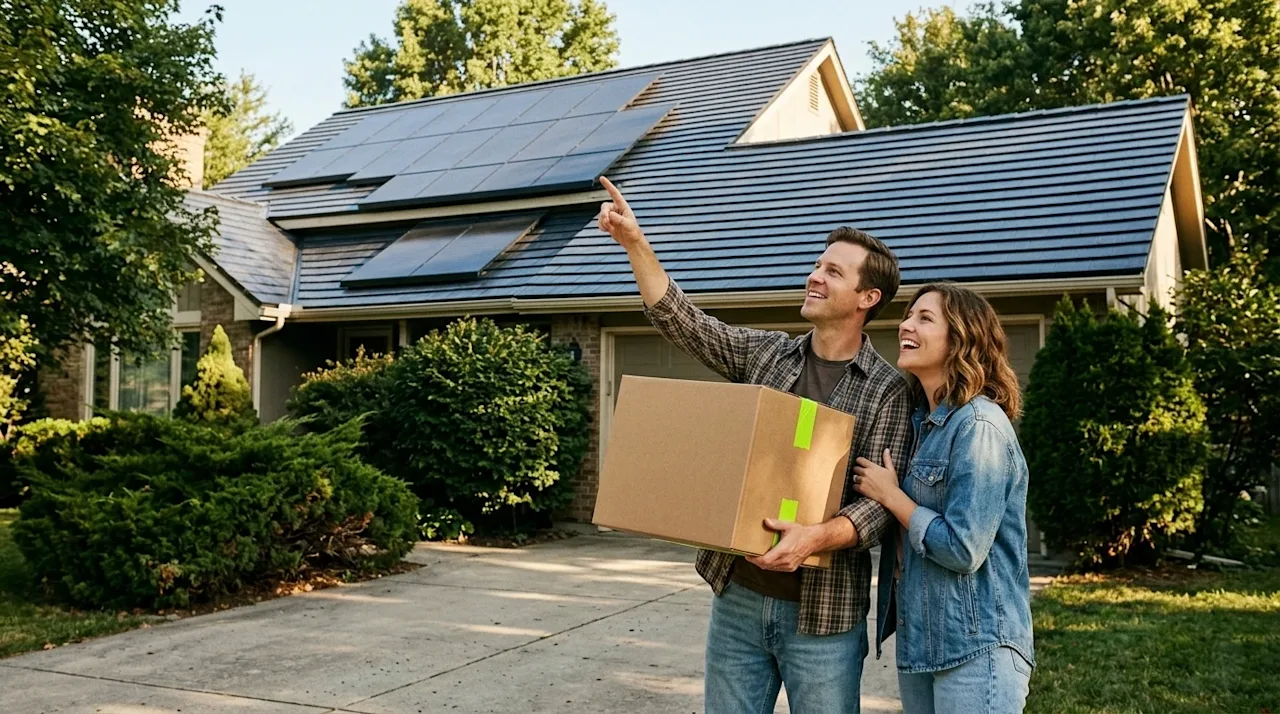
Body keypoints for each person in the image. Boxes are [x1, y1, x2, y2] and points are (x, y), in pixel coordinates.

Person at [596, 176, 913, 713]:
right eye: (817, 264)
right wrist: (636, 245)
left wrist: (811, 538)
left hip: (823, 619)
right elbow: (685, 323)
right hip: (738, 598)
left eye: (832, 271)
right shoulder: (768, 355)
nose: (813, 276)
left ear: (867, 297)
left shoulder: (888, 389)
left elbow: (878, 508)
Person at [852, 283, 1036, 714]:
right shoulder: (923, 425)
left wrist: (892, 496)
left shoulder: (979, 426)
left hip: (977, 649)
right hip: (923, 645)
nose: (905, 324)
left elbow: (964, 547)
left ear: (961, 338)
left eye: (924, 318)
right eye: (908, 315)